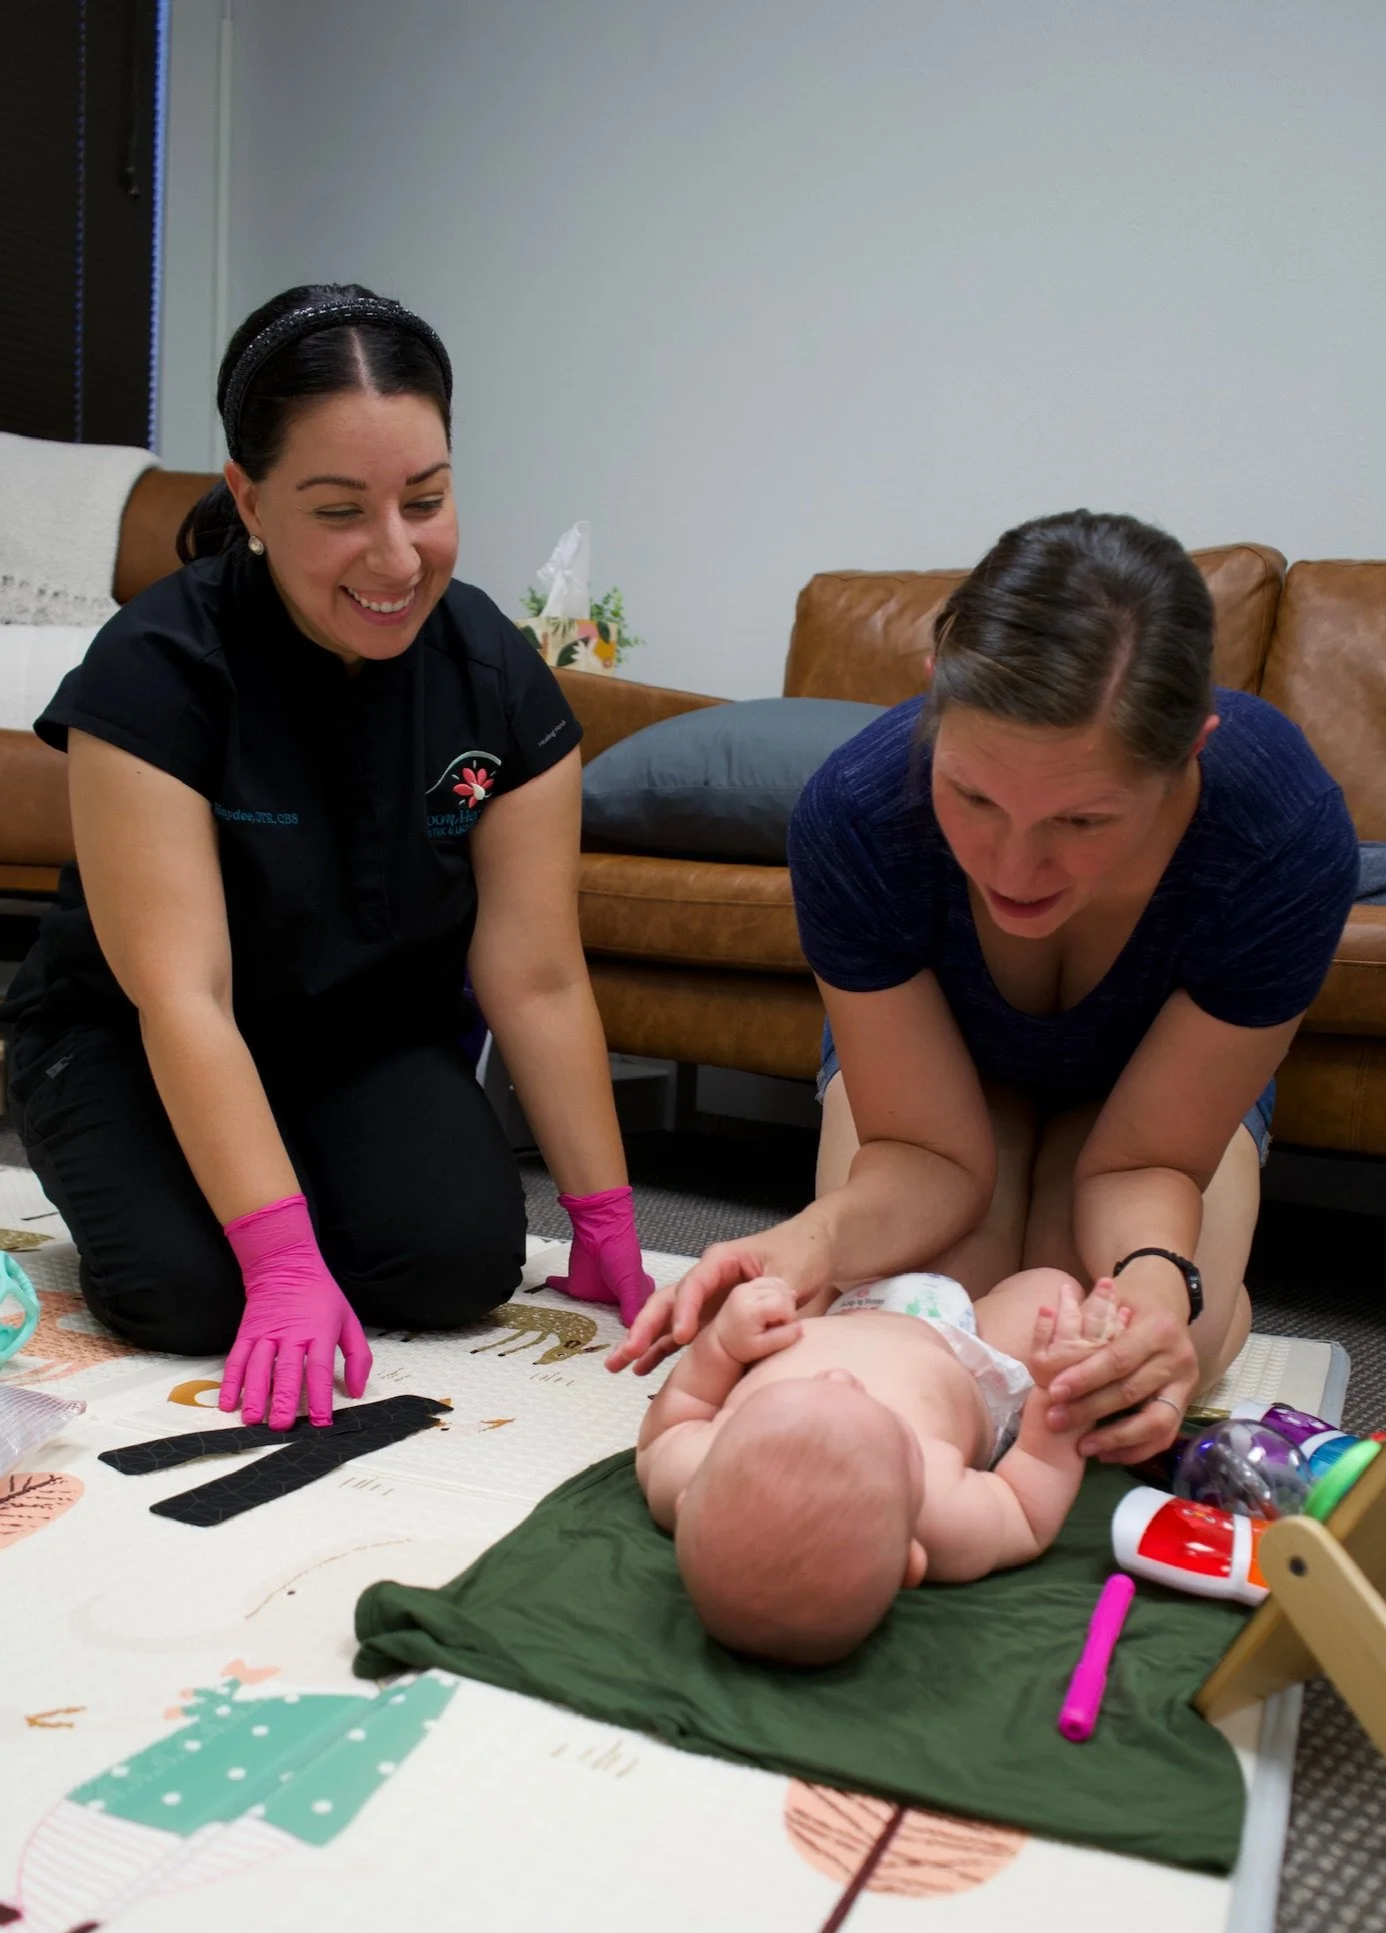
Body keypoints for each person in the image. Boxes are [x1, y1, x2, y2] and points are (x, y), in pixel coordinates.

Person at [5, 283, 652, 1431]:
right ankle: (234, 1205)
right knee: (192, 1294)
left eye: (428, 499)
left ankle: (287, 1185)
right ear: (250, 501)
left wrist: (606, 1223)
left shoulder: (494, 677)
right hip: (131, 1034)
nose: (395, 556)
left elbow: (538, 973)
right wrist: (282, 1260)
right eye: (341, 510)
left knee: (454, 1265)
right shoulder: (157, 672)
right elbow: (184, 995)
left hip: (350, 1037)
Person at [614, 510, 1358, 1465]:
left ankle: (1221, 1312)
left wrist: (1165, 1292)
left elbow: (1145, 1165)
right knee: (917, 1320)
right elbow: (924, 1152)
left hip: (1151, 1121)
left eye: (1083, 819)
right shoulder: (858, 812)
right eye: (972, 795)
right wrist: (814, 1239)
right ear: (933, 698)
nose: (1014, 864)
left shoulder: (1281, 836)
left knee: (1100, 1359)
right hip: (934, 1108)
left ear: (1192, 749)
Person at [634, 1266, 1124, 1664]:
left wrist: (721, 1344)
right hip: (962, 1347)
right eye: (875, 1409)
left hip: (829, 1312)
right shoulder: (940, 1512)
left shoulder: (690, 1466)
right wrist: (1058, 1394)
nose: (839, 1377)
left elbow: (684, 1405)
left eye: (810, 1385)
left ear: (688, 1501)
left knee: (798, 1273)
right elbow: (1029, 1502)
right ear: (914, 1559)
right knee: (1048, 1285)